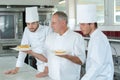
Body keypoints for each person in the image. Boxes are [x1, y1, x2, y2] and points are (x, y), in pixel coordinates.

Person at [4, 7, 52, 78]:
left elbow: (50, 52)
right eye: (28, 24)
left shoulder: (47, 30)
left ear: (38, 22)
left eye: (33, 23)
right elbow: (23, 48)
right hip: (40, 66)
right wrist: (16, 69)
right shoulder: (27, 30)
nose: (30, 26)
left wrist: (46, 69)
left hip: (51, 66)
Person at [45, 11, 86, 80]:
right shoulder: (49, 37)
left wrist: (66, 56)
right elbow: (47, 57)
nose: (51, 26)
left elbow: (81, 61)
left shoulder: (76, 37)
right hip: (52, 77)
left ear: (63, 23)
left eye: (54, 23)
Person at [77, 4, 114, 80]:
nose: (80, 27)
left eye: (83, 24)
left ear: (92, 24)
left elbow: (96, 66)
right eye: (80, 24)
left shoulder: (98, 39)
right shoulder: (95, 37)